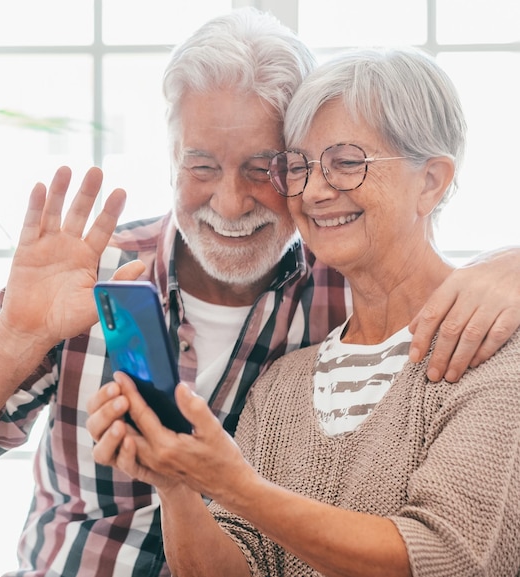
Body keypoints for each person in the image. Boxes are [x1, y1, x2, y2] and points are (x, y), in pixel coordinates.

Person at [0, 8, 520, 577]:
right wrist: (17, 334)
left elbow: (418, 262)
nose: (228, 203)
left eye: (264, 167)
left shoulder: (345, 286)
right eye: (201, 166)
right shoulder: (95, 277)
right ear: (169, 159)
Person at [86, 46, 520, 576]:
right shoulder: (283, 384)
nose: (313, 191)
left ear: (430, 180)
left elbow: (446, 558)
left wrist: (235, 485)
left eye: (346, 163)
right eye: (298, 167)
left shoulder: (496, 352)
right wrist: (176, 483)